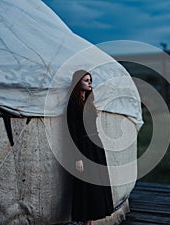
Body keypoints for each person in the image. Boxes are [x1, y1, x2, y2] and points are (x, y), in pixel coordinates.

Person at [67, 70, 114, 225]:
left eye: (90, 80)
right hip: (84, 148)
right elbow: (72, 132)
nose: (89, 83)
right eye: (86, 80)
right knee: (87, 187)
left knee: (97, 185)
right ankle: (86, 221)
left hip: (96, 147)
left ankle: (91, 222)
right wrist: (77, 158)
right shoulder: (73, 104)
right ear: (78, 82)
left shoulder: (89, 102)